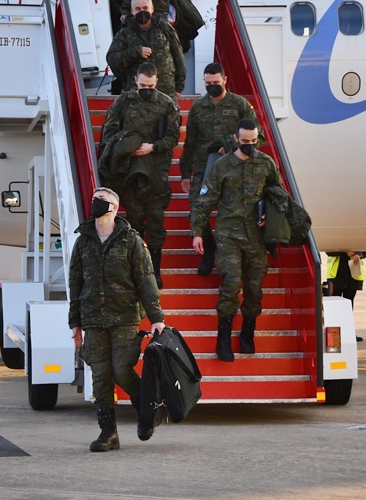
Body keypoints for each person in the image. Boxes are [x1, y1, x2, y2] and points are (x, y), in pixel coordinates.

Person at [68, 187, 166, 452]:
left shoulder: (131, 240)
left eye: (101, 200)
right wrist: (74, 322)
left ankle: (148, 413)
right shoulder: (83, 240)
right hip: (92, 318)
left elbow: (146, 279)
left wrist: (156, 317)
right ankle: (107, 433)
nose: (94, 203)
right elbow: (75, 283)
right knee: (100, 376)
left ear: (113, 207)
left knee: (122, 371)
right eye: (93, 200)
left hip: (124, 316)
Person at [190, 118, 284, 362]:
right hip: (229, 235)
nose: (250, 146)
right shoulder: (222, 166)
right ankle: (222, 341)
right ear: (235, 139)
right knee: (231, 283)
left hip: (256, 237)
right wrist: (198, 232)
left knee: (253, 289)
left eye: (254, 141)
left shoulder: (266, 163)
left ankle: (247, 334)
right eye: (245, 142)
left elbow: (278, 194)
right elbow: (205, 200)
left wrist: (269, 216)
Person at [100, 63, 181, 289]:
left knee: (155, 221)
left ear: (156, 82)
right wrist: (127, 144)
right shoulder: (123, 103)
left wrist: (152, 147)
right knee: (134, 222)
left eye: (151, 86)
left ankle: (155, 270)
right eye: (143, 85)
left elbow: (173, 137)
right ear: (136, 81)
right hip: (130, 171)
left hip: (155, 171)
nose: (147, 90)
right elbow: (109, 134)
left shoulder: (166, 104)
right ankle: (137, 268)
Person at [179, 63, 258, 276]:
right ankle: (208, 249)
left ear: (224, 80)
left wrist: (231, 146)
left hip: (233, 167)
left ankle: (232, 257)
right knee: (196, 206)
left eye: (215, 83)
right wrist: (185, 173)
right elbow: (190, 142)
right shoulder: (198, 107)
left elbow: (255, 140)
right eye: (208, 84)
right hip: (203, 166)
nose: (212, 86)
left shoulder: (240, 104)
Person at [105, 0, 186, 96]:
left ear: (152, 8)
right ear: (132, 11)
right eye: (138, 9)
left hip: (165, 92)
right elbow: (112, 59)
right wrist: (135, 52)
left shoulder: (165, 28)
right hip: (135, 95)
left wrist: (179, 87)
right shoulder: (124, 33)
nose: (142, 11)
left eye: (145, 8)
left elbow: (178, 57)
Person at [325, 251, 366, 342]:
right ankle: (334, 334)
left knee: (349, 305)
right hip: (336, 274)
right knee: (334, 307)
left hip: (353, 274)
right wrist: (345, 253)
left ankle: (348, 333)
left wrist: (358, 254)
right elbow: (329, 250)